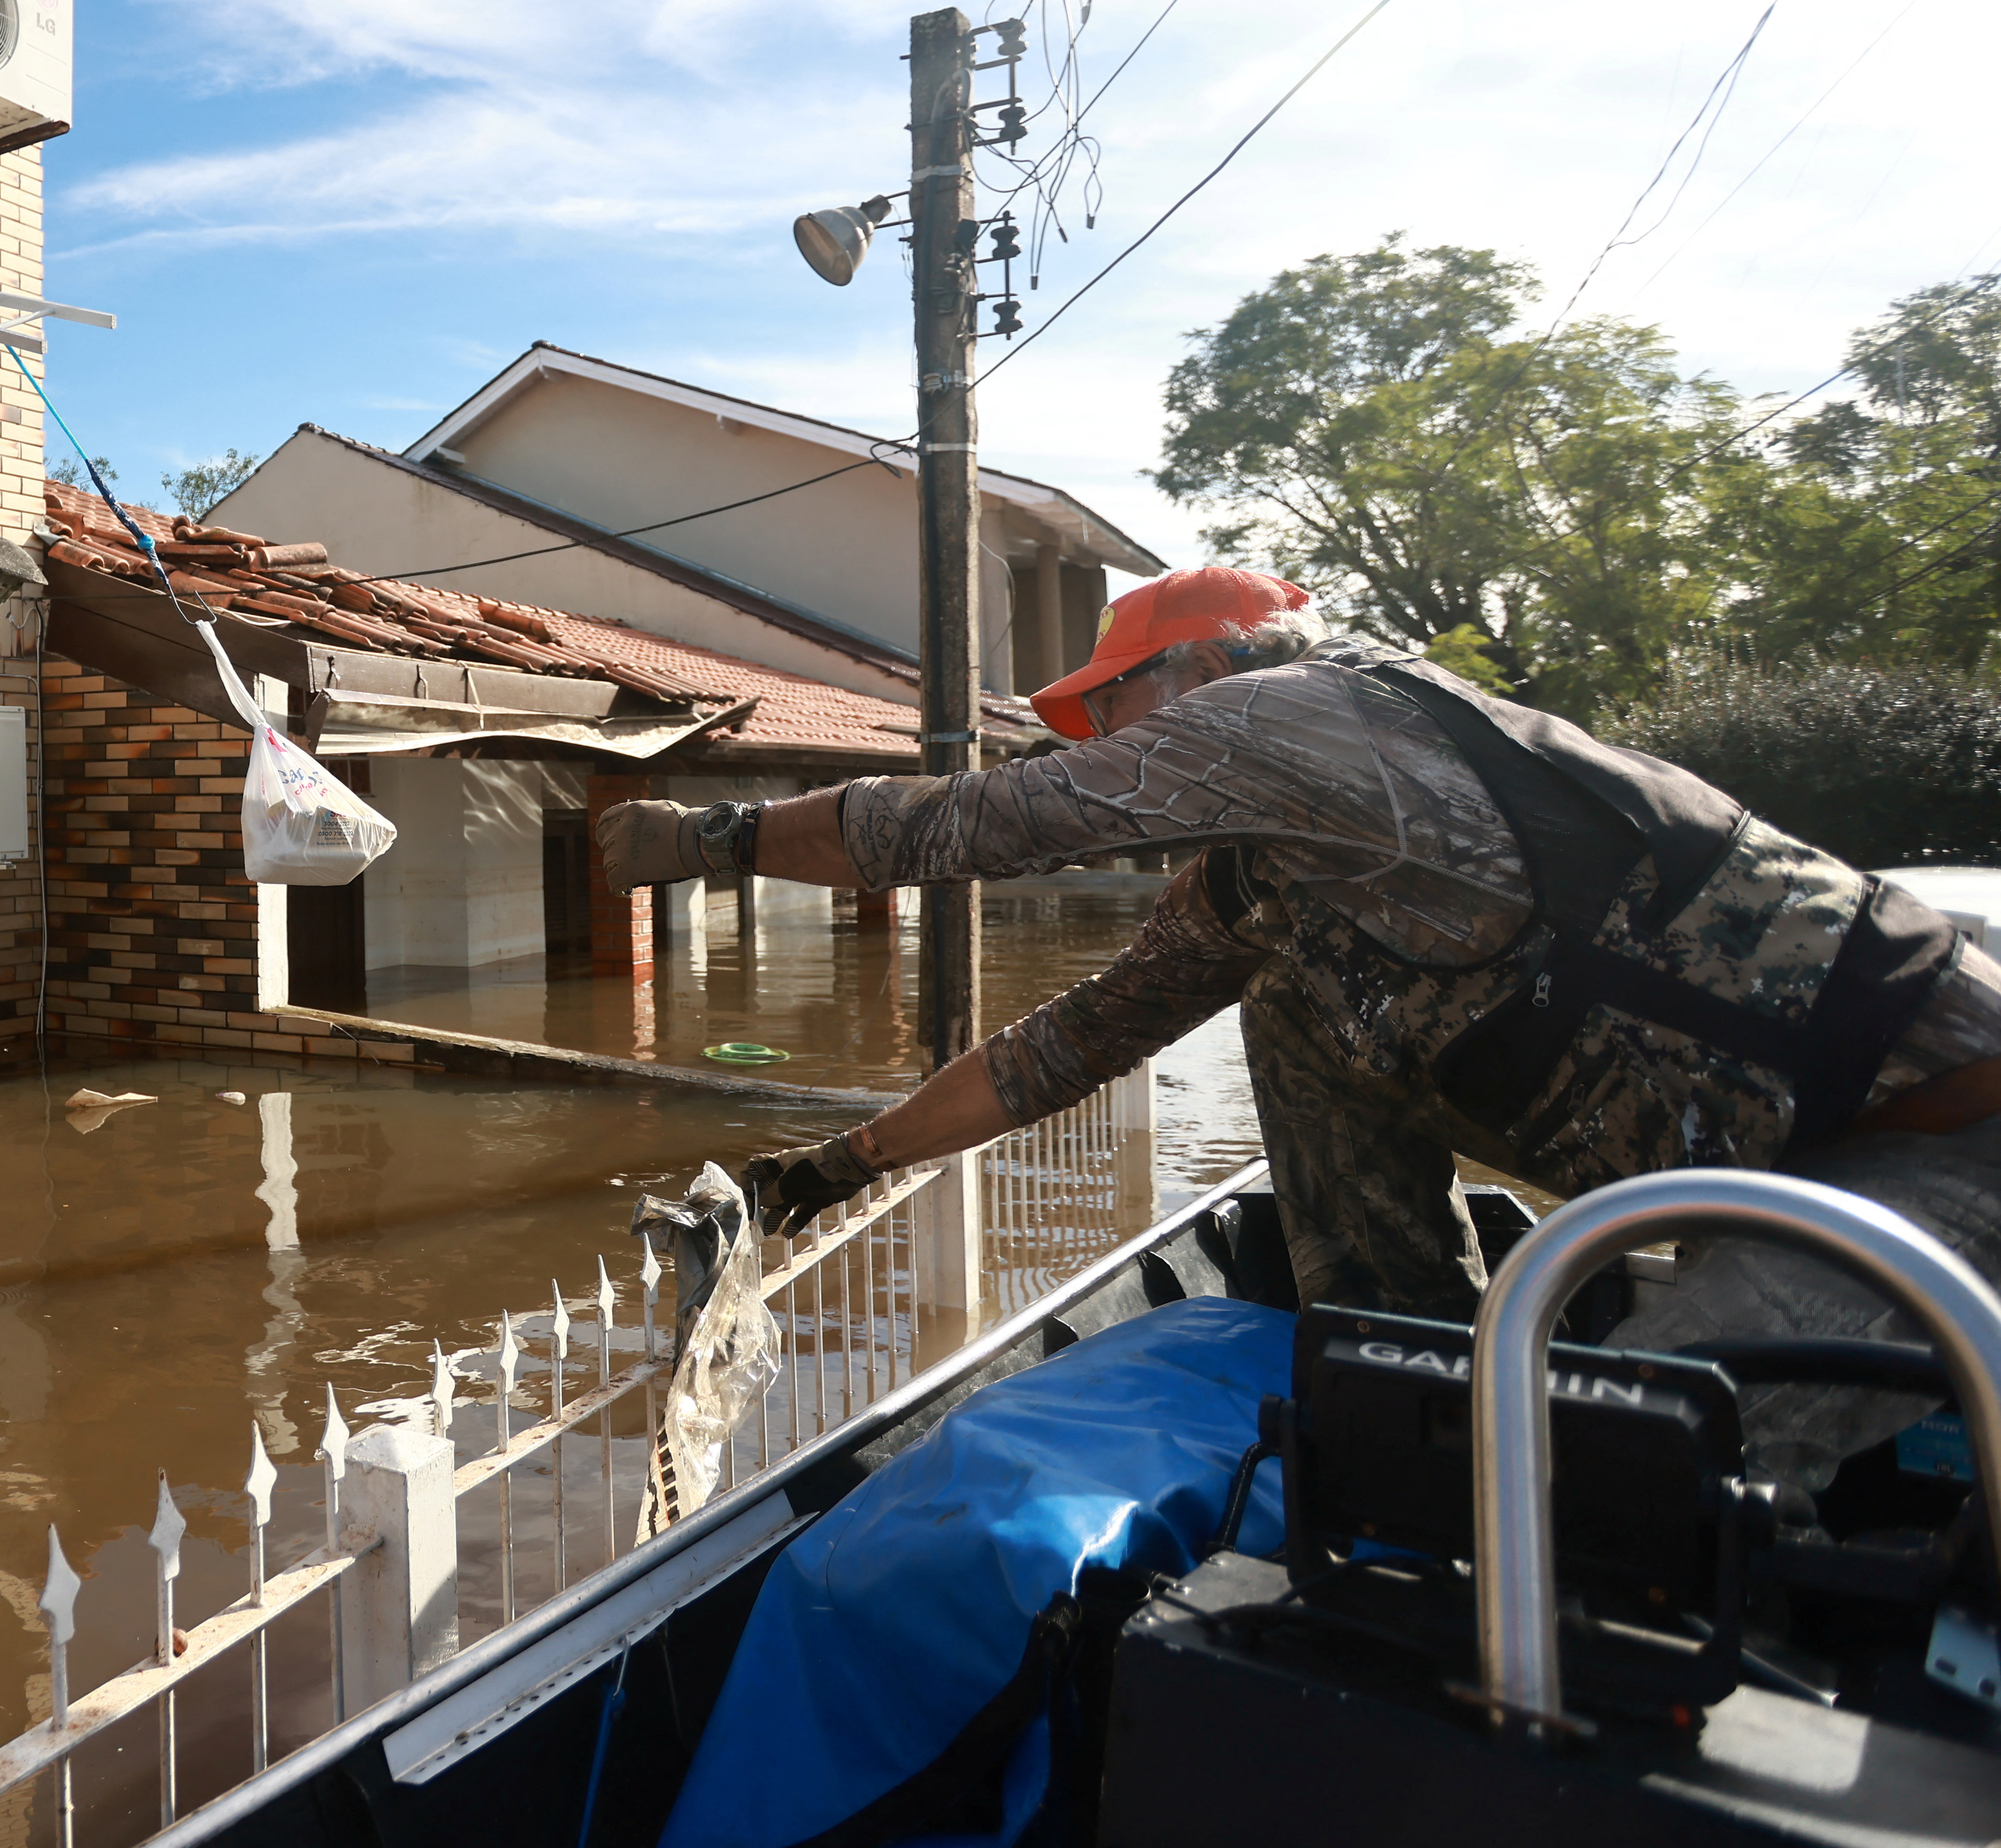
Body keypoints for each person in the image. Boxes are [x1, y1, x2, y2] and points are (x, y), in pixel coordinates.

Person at [598, 566, 2001, 1488]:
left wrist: (711, 836)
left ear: (1210, 668)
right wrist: (829, 1175)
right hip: (1762, 1183)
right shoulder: (1265, 876)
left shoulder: (1304, 716)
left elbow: (978, 824)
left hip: (1936, 1162)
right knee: (1293, 1015)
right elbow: (1065, 1046)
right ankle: (1408, 1373)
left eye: (1112, 707)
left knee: (1612, 1487)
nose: (1107, 751)